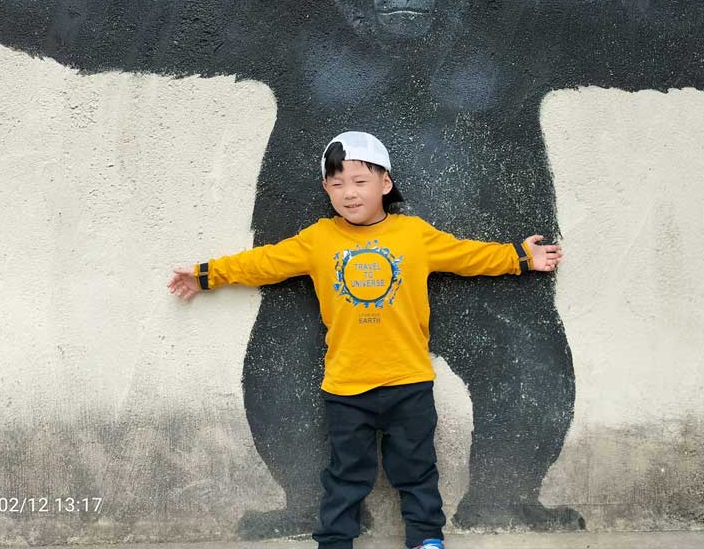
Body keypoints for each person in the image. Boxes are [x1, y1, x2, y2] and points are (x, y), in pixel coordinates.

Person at [168, 130, 564, 549]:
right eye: (336, 184)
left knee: (416, 469)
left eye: (360, 181)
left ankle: (427, 539)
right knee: (345, 475)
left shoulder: (414, 234)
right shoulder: (318, 239)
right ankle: (335, 542)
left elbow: (467, 255)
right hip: (346, 386)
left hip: (407, 382)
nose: (349, 193)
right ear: (326, 189)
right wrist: (207, 273)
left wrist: (519, 258)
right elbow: (265, 262)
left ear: (385, 184)